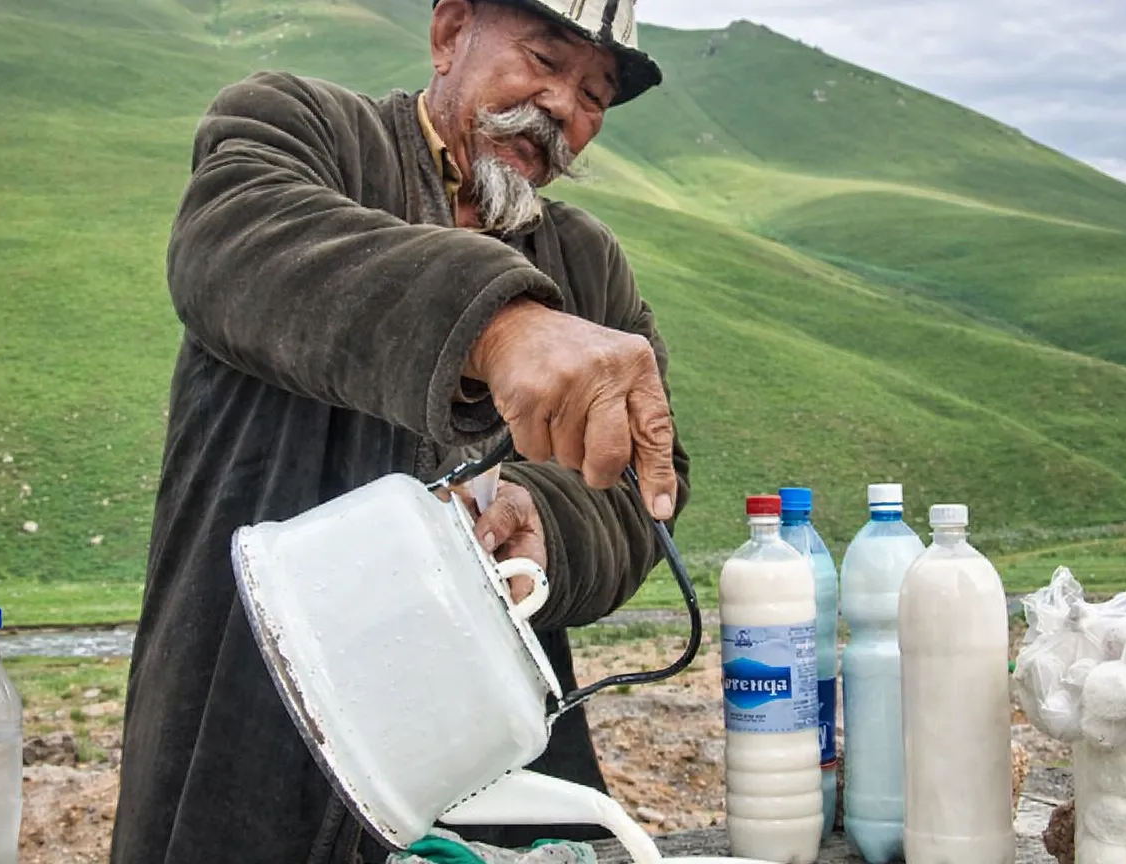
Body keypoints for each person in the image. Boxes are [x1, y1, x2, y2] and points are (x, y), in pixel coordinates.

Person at [110, 1, 691, 862]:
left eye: (595, 96)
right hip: (250, 709)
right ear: (451, 32)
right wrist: (497, 326)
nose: (564, 108)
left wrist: (545, 521)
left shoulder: (588, 263)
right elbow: (235, 243)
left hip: (487, 750)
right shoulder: (300, 127)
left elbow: (650, 482)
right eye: (542, 58)